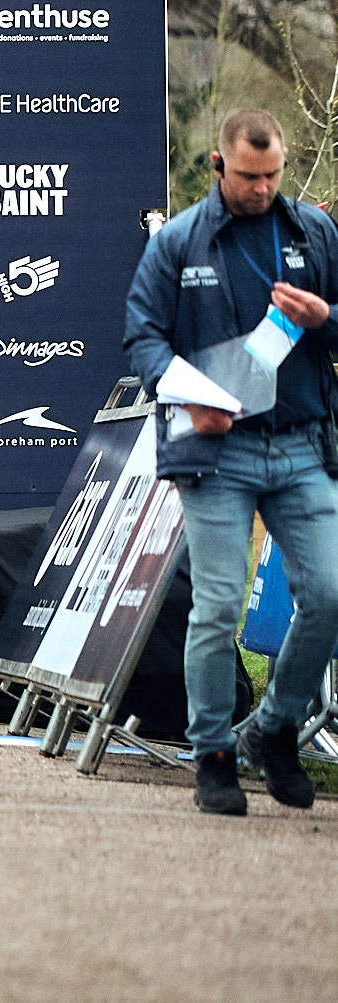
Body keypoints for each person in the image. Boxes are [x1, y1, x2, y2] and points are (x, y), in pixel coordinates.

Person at [124, 108, 338, 815]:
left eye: (273, 174)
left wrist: (323, 320)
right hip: (214, 450)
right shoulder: (179, 240)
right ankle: (212, 751)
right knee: (216, 604)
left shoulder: (313, 229)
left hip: (302, 442)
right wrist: (188, 394)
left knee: (329, 593)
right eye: (249, 176)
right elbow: (143, 339)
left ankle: (274, 727)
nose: (262, 187)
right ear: (219, 166)